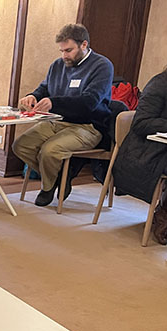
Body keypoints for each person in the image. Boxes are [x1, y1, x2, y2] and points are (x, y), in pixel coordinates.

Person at [12, 23, 114, 206]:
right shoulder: (58, 65)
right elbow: (45, 88)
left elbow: (89, 102)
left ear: (84, 45)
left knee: (50, 151)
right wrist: (32, 96)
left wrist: (55, 102)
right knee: (21, 145)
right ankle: (60, 178)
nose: (64, 56)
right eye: (61, 51)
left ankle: (48, 186)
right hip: (56, 121)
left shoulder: (102, 66)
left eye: (68, 50)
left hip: (88, 126)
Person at [113, 38, 167, 245]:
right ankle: (166, 213)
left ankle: (166, 214)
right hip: (149, 150)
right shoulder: (162, 83)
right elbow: (141, 123)